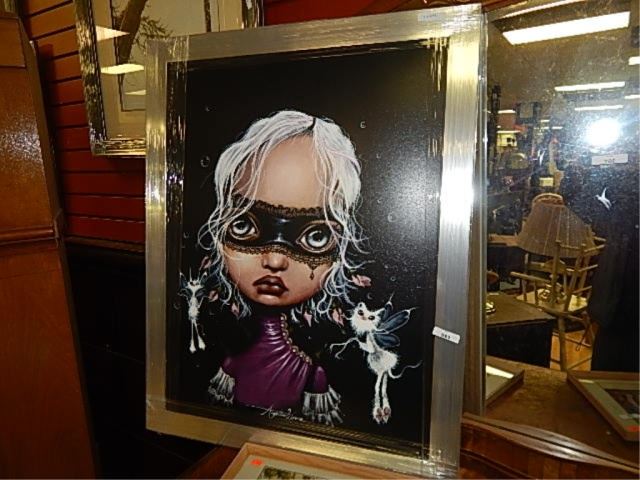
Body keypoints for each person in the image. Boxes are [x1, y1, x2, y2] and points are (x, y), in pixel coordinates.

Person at [187, 110, 365, 425]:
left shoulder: (319, 360)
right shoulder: (217, 336)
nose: (274, 260)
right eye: (244, 226)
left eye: (315, 236)